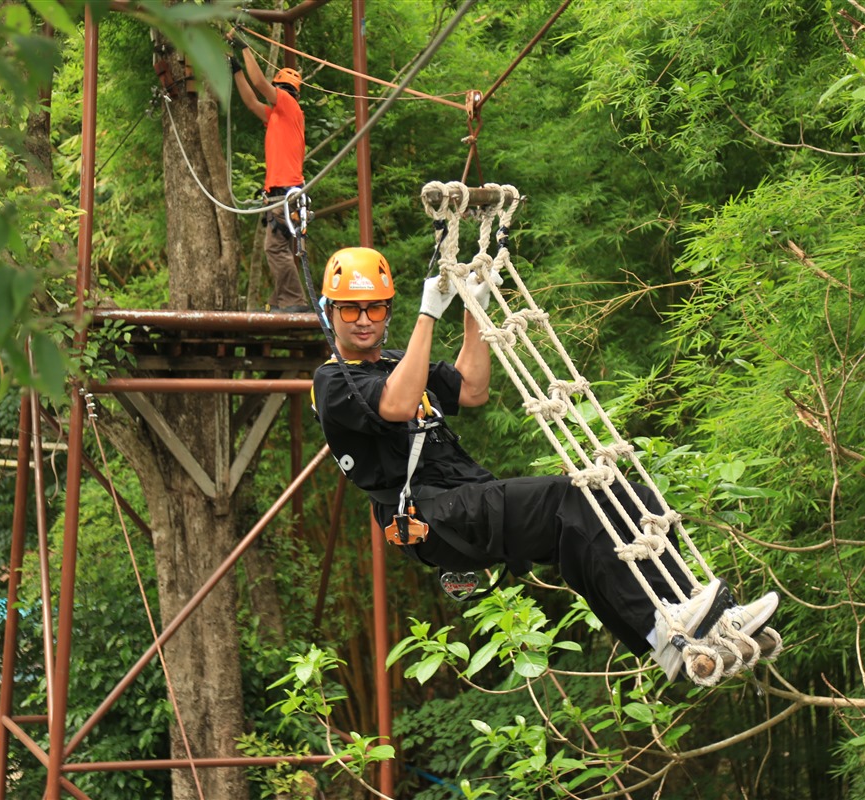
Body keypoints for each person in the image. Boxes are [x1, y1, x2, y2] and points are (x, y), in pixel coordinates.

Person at [311, 247, 779, 682]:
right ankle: (665, 629)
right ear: (330, 312)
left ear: (386, 311)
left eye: (375, 308)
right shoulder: (333, 382)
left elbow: (471, 389)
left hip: (467, 500)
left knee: (625, 498)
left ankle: (692, 629)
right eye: (350, 309)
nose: (363, 321)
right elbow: (396, 403)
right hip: (431, 516)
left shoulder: (392, 360)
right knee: (566, 500)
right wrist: (429, 312)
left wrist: (475, 312)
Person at [228, 31, 309, 313]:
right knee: (280, 249)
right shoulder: (278, 116)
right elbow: (252, 101)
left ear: (283, 89)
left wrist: (244, 48)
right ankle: (280, 301)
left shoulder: (288, 104)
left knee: (274, 249)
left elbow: (260, 84)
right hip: (281, 195)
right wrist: (236, 69)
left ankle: (294, 301)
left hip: (286, 194)